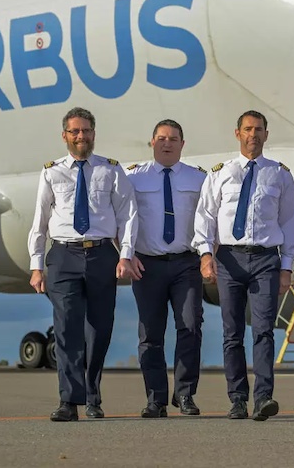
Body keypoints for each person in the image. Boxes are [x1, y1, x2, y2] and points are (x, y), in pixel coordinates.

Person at [27, 107, 138, 422]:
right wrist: (37, 265)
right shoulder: (51, 172)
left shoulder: (111, 170)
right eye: (75, 131)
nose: (81, 136)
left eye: (86, 131)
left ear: (93, 134)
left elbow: (127, 215)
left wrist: (126, 255)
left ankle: (93, 396)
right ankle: (69, 402)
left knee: (98, 330)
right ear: (65, 136)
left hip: (102, 254)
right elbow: (40, 222)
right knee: (66, 329)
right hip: (63, 256)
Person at [193, 110, 294, 422]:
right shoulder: (220, 173)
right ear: (237, 133)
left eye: (259, 130)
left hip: (266, 259)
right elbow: (206, 216)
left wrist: (287, 266)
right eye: (247, 129)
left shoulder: (280, 174)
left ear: (267, 135)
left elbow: (291, 221)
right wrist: (204, 254)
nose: (253, 134)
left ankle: (263, 397)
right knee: (232, 332)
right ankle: (237, 399)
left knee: (264, 330)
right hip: (228, 259)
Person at [121, 119, 208, 418]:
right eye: (161, 138)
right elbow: (123, 219)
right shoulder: (133, 177)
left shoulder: (199, 179)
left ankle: (184, 394)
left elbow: (209, 219)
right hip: (147, 265)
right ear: (152, 143)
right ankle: (155, 399)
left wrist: (209, 254)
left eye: (173, 139)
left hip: (186, 263)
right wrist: (127, 254)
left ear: (183, 144)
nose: (167, 143)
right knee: (150, 334)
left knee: (190, 326)